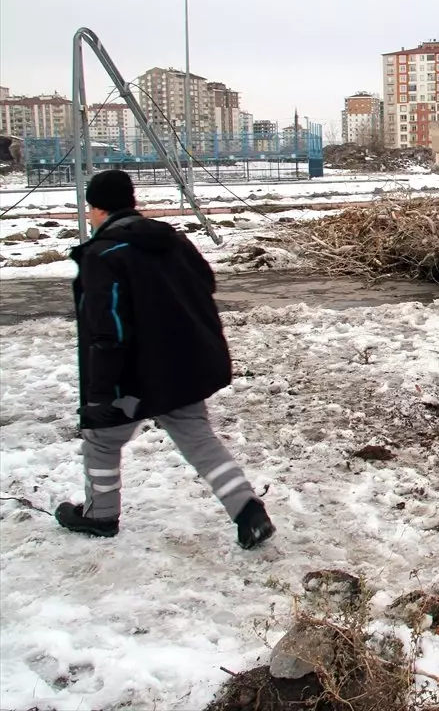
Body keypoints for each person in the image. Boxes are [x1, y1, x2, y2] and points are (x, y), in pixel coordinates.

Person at [56, 169, 275, 549]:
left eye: (90, 208)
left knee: (101, 440)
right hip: (183, 363)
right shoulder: (173, 241)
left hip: (134, 377)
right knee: (197, 437)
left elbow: (107, 331)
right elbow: (205, 283)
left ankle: (100, 515)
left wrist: (99, 395)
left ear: (97, 208)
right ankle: (248, 512)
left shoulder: (103, 255)